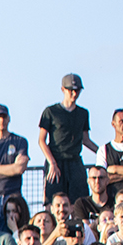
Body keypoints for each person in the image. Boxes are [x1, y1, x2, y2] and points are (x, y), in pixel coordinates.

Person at [39, 74, 97, 209]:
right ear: (63, 89)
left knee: (79, 201)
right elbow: (41, 140)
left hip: (75, 162)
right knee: (53, 201)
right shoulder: (51, 111)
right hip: (56, 160)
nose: (74, 93)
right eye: (70, 90)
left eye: (77, 90)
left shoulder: (83, 113)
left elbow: (85, 140)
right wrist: (51, 162)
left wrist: (103, 153)